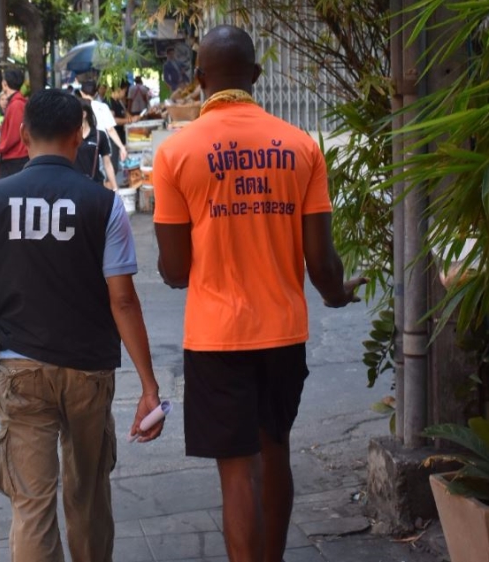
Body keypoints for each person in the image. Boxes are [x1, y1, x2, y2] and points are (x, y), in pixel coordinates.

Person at [152, 25, 367, 562]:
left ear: (200, 80)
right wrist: (338, 295)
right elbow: (321, 261)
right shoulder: (300, 146)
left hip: (216, 337)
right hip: (282, 333)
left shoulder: (177, 153)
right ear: (255, 76)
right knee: (276, 454)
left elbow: (176, 271)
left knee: (236, 476)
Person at [0, 88, 164, 562]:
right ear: (78, 135)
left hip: (20, 369)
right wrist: (149, 386)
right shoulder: (104, 205)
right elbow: (124, 302)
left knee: (31, 506)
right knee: (88, 499)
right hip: (89, 371)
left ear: (24, 135)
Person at [0, 69, 29, 178]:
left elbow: (14, 135)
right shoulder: (16, 103)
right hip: (15, 157)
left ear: (4, 84)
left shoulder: (16, 104)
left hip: (15, 158)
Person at [77, 80, 127, 172]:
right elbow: (110, 129)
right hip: (102, 148)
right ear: (96, 93)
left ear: (81, 93)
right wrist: (121, 146)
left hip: (84, 150)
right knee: (102, 174)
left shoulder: (77, 108)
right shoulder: (103, 107)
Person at [75, 99, 117, 189]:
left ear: (84, 114)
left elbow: (107, 163)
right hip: (76, 186)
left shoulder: (99, 135)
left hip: (96, 184)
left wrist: (115, 188)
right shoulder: (70, 136)